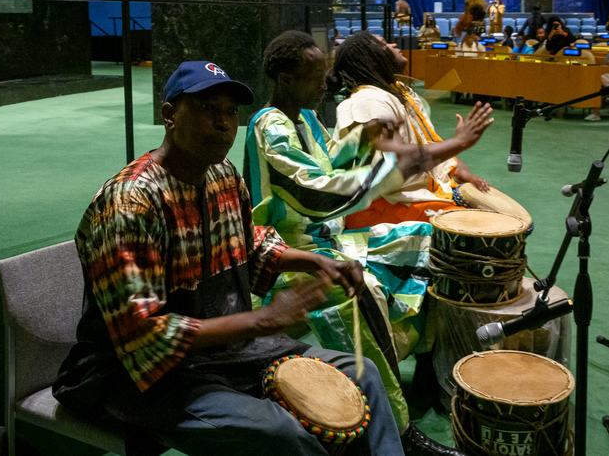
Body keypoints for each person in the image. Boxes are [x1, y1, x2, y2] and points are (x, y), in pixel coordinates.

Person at [53, 60, 404, 456]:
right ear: (170, 115)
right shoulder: (131, 204)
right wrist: (262, 320)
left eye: (230, 112)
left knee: (363, 376)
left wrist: (313, 262)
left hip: (226, 356)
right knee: (281, 432)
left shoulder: (223, 175)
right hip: (139, 377)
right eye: (207, 108)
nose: (223, 123)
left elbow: (246, 245)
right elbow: (142, 336)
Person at [246, 31, 488, 427]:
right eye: (314, 76)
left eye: (326, 73)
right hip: (287, 254)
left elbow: (348, 158)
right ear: (285, 80)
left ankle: (425, 368)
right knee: (362, 292)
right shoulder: (270, 127)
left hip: (328, 237)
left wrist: (399, 146)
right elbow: (320, 193)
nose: (325, 83)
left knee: (430, 241)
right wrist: (441, 148)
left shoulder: (306, 118)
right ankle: (392, 419)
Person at [330, 31, 496, 226]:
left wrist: (461, 172)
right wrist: (459, 142)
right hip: (380, 206)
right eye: (384, 44)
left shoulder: (402, 92)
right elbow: (397, 167)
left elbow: (429, 146)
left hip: (412, 196)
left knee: (493, 215)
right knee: (482, 227)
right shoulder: (367, 102)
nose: (393, 44)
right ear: (372, 60)